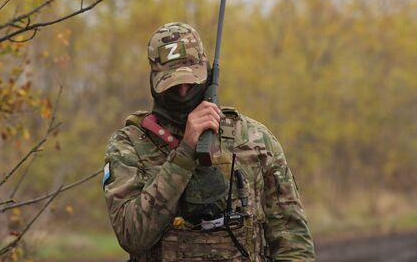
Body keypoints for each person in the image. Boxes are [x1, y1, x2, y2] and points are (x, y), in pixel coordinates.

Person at [103, 22, 315, 261]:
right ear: (154, 83)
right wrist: (184, 154)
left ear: (207, 73)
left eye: (190, 82)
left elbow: (293, 242)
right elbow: (132, 237)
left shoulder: (254, 139)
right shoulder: (128, 145)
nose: (183, 92)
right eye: (172, 85)